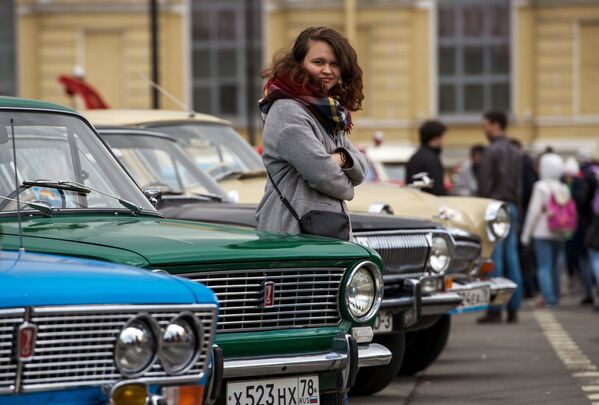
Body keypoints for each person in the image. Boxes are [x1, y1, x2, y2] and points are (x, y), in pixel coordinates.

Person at [255, 26, 368, 239]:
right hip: (290, 235)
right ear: (299, 64)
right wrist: (348, 186)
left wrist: (341, 158)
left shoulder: (328, 113)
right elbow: (325, 176)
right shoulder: (287, 111)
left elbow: (361, 169)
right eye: (318, 62)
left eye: (334, 64)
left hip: (323, 230)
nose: (327, 70)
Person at [477, 110, 523, 323]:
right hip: (512, 206)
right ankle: (513, 307)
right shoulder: (515, 150)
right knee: (512, 257)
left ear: (495, 125)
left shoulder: (491, 151)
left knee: (495, 258)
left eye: (486, 125)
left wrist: (481, 205)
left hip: (494, 207)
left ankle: (496, 308)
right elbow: (520, 183)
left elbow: (485, 184)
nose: (484, 129)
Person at [520, 153, 571, 308]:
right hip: (560, 231)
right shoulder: (563, 187)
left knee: (544, 266)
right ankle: (555, 296)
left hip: (542, 232)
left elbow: (533, 212)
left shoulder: (540, 186)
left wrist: (525, 235)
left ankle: (548, 299)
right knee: (556, 266)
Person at [405, 120, 448, 196]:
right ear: (436, 138)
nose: (444, 141)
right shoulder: (430, 159)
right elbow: (436, 188)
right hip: (431, 204)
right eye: (442, 137)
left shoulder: (415, 157)